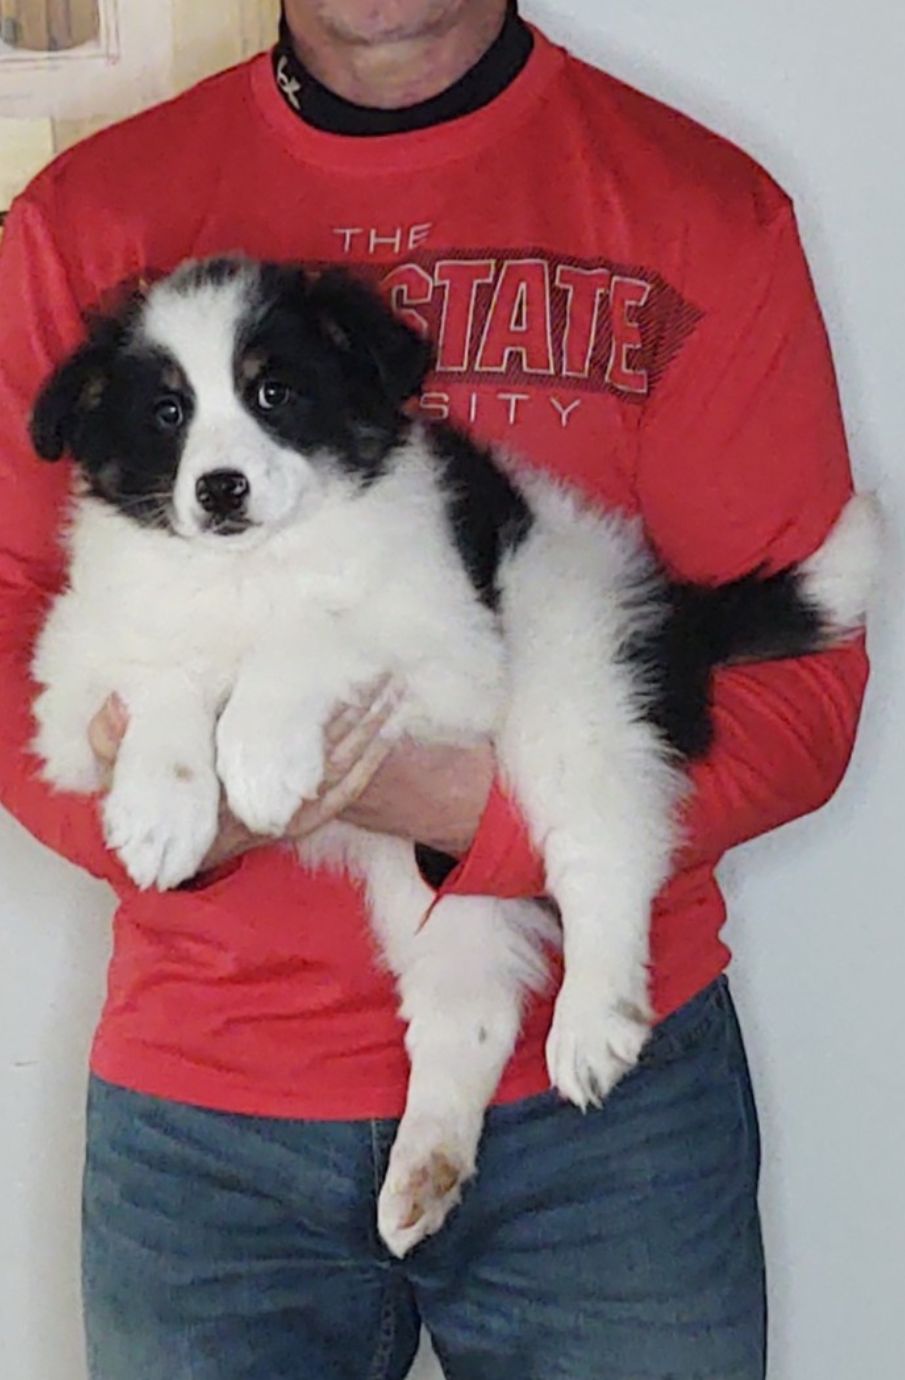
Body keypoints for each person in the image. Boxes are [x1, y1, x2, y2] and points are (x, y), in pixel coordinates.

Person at [0, 2, 868, 1377]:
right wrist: (183, 815)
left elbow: (797, 701)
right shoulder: (86, 219)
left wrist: (473, 812)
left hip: (605, 1132)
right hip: (206, 1118)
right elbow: (14, 641)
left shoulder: (700, 208)